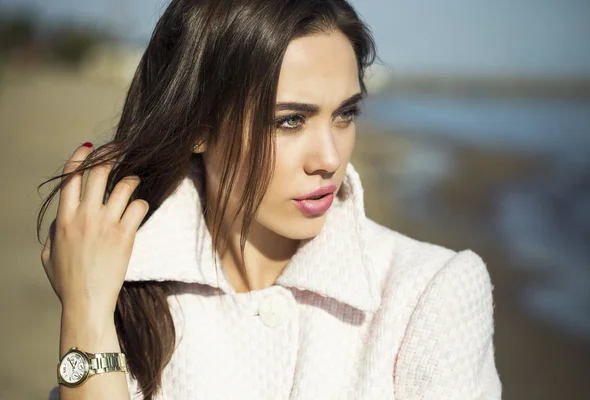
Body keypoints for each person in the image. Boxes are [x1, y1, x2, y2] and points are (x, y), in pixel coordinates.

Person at [38, 0, 502, 399]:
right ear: (198, 125)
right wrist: (85, 315)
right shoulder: (120, 284)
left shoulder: (430, 292)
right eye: (289, 121)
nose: (329, 158)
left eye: (346, 114)